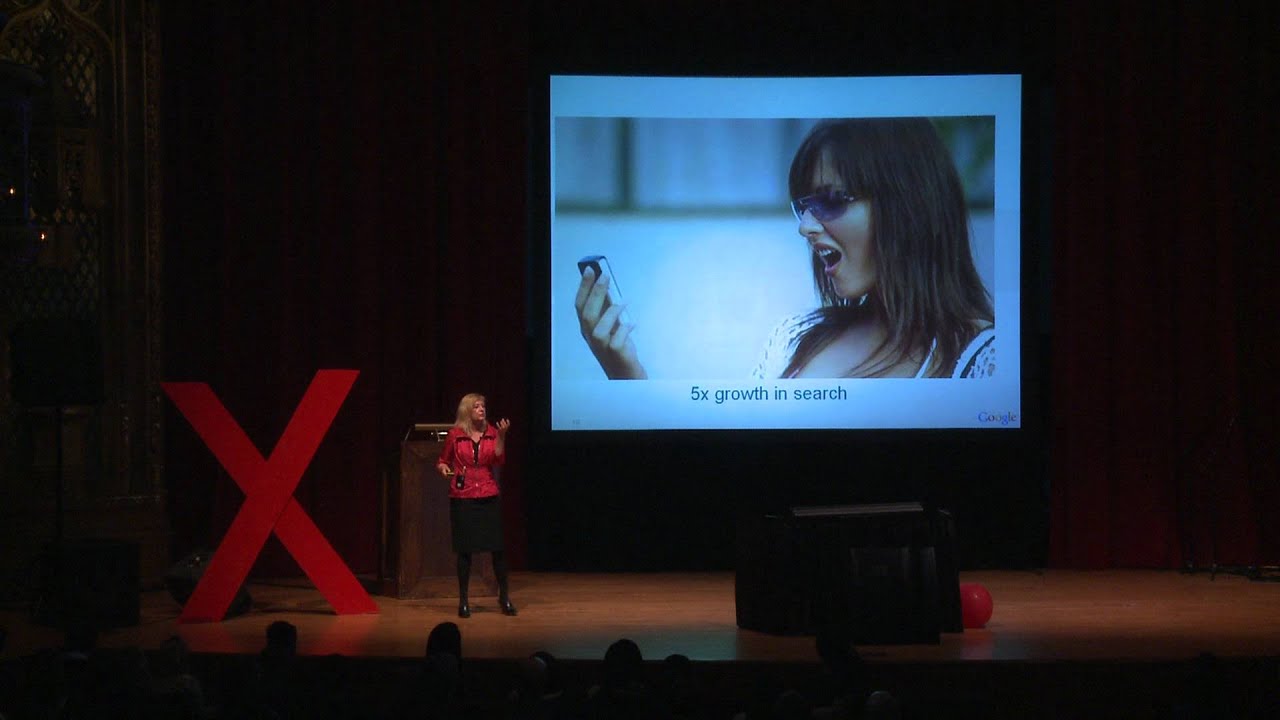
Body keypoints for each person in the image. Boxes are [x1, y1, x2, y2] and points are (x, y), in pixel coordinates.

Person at [575, 117, 995, 380]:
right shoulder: (794, 338)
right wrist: (625, 373)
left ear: (909, 204)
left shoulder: (985, 360)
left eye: (832, 200)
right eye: (804, 207)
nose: (806, 228)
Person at [436, 393, 516, 618]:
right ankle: (463, 600)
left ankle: (504, 597)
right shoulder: (455, 435)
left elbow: (498, 459)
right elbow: (443, 460)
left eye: (483, 406)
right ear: (467, 411)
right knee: (465, 551)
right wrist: (442, 468)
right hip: (463, 495)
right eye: (477, 406)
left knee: (497, 549)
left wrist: (501, 436)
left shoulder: (492, 433)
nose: (482, 409)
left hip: (488, 493)